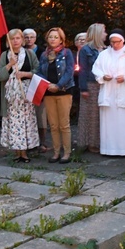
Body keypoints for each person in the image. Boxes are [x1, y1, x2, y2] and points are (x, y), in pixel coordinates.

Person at [93, 29, 125, 156]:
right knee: (110, 124)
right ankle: (109, 149)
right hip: (109, 94)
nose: (115, 45)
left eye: (117, 42)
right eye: (112, 42)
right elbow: (96, 69)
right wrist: (103, 76)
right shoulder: (104, 54)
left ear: (123, 41)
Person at [0, 29, 40, 162]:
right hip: (11, 98)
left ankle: (25, 152)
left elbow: (38, 70)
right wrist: (10, 64)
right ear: (8, 41)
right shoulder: (4, 55)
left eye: (18, 38)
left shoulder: (29, 54)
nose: (15, 41)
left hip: (26, 96)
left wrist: (25, 74)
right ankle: (17, 152)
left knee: (26, 122)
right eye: (12, 39)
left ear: (22, 40)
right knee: (14, 124)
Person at [36, 27, 76, 163]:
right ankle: (56, 152)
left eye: (56, 37)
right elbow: (39, 71)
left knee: (63, 124)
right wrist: (47, 84)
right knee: (53, 125)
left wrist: (58, 85)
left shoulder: (67, 53)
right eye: (50, 37)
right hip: (48, 92)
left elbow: (69, 71)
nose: (53, 39)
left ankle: (67, 152)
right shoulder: (44, 55)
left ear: (61, 39)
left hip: (64, 91)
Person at [78, 23, 106, 153]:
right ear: (98, 34)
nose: (106, 34)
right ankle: (90, 143)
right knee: (90, 115)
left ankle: (101, 141)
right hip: (91, 84)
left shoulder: (106, 49)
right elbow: (82, 70)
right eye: (104, 32)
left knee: (101, 115)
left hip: (104, 85)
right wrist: (83, 88)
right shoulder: (86, 50)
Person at [24, 27, 48, 150]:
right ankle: (28, 142)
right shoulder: (19, 52)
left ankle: (42, 142)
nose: (29, 39)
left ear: (35, 38)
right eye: (26, 37)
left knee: (41, 115)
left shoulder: (42, 52)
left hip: (38, 86)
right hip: (23, 86)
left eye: (31, 37)